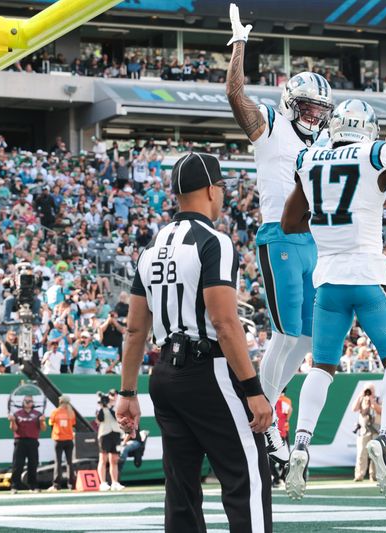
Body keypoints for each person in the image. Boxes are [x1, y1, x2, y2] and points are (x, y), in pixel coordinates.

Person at [281, 98, 386, 501]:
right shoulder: (377, 152)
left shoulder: (309, 158)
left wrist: (324, 211)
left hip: (328, 281)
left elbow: (290, 222)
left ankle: (300, 443)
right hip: (371, 275)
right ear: (368, 127)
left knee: (321, 367)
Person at [115, 152, 273, 533]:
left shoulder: (150, 250)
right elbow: (224, 320)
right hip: (207, 370)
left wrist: (127, 391)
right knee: (247, 475)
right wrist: (253, 389)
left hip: (164, 373)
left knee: (181, 489)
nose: (221, 195)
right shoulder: (214, 241)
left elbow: (135, 331)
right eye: (220, 187)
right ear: (209, 190)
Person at [225, 2, 334, 465]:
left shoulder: (326, 141)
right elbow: (236, 97)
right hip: (280, 236)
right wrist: (239, 46)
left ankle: (260, 409)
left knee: (308, 339)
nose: (314, 115)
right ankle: (264, 418)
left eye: (320, 108)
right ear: (292, 103)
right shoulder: (269, 126)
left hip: (315, 242)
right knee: (288, 330)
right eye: (308, 106)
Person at [8, 396, 45, 493]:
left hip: (33, 441)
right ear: (23, 402)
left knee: (33, 464)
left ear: (33, 403)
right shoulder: (17, 414)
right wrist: (12, 421)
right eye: (26, 401)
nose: (28, 402)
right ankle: (14, 486)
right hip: (20, 441)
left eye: (30, 401)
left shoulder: (37, 414)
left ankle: (33, 486)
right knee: (17, 464)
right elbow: (13, 429)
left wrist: (42, 421)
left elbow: (43, 428)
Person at [352, 384, 382, 482]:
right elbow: (354, 409)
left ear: (374, 391)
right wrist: (360, 396)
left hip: (375, 430)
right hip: (364, 431)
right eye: (367, 390)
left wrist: (372, 402)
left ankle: (374, 475)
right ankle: (359, 475)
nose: (369, 392)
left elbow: (381, 411)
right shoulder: (361, 399)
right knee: (361, 453)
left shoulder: (378, 399)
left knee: (375, 454)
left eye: (370, 390)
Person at [96, 390, 124, 491]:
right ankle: (103, 483)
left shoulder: (118, 406)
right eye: (111, 395)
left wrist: (109, 407)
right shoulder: (100, 407)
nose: (112, 397)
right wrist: (103, 407)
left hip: (116, 433)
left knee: (114, 459)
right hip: (104, 434)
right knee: (103, 459)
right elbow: (100, 419)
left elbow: (117, 417)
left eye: (114, 394)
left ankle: (115, 482)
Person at [48, 395, 76, 491]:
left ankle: (56, 485)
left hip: (58, 439)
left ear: (60, 402)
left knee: (58, 462)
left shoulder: (55, 412)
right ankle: (71, 485)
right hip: (69, 440)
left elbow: (51, 424)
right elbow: (72, 425)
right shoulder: (71, 413)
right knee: (69, 463)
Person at [271, 389, 293, 487]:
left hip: (276, 431)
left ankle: (276, 478)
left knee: (271, 457)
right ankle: (283, 477)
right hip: (284, 431)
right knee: (286, 456)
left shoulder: (275, 400)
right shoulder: (287, 400)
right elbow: (289, 413)